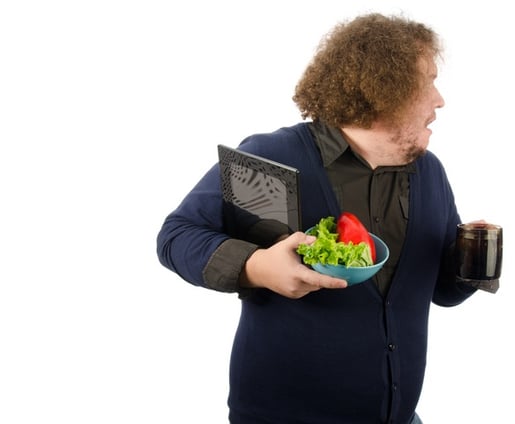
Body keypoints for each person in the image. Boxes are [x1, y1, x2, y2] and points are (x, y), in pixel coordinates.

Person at [157, 13, 480, 424]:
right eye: (427, 81)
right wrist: (255, 267)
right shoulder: (269, 159)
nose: (439, 99)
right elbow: (177, 236)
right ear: (384, 89)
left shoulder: (428, 171)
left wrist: (473, 267)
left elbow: (442, 292)